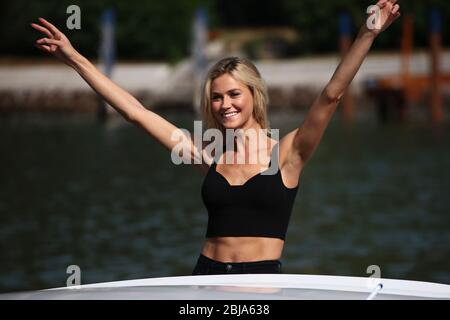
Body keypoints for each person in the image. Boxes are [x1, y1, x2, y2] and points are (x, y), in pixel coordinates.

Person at [31, 0, 400, 275]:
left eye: (234, 94)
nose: (225, 105)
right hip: (204, 276)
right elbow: (136, 112)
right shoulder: (208, 156)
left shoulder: (288, 153)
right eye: (217, 97)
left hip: (260, 283)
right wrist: (74, 58)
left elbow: (331, 95)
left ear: (254, 95)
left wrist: (367, 34)